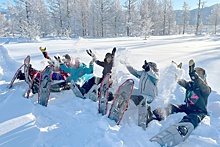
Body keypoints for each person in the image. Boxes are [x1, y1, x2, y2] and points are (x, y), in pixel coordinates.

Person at [147, 59, 211, 136]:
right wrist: (176, 71)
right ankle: (152, 115)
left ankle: (182, 128)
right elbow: (179, 80)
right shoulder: (190, 85)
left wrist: (193, 74)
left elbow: (199, 82)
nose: (197, 75)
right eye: (196, 72)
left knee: (193, 117)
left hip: (199, 111)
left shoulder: (206, 89)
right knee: (171, 107)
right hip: (187, 107)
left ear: (203, 77)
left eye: (199, 74)